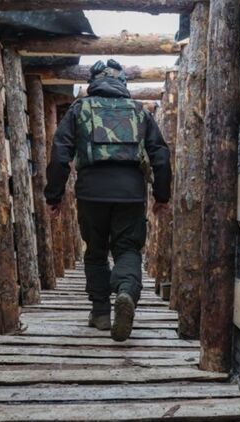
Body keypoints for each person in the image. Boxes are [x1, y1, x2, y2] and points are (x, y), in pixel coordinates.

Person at [44, 59, 172, 342]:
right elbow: (161, 155)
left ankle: (101, 312)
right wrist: (162, 196)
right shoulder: (139, 111)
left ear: (93, 82)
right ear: (123, 83)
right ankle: (126, 291)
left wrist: (54, 195)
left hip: (91, 192)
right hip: (131, 193)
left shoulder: (79, 109)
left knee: (96, 251)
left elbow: (60, 153)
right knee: (128, 248)